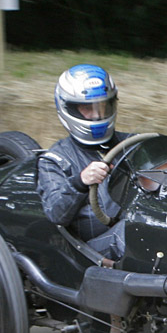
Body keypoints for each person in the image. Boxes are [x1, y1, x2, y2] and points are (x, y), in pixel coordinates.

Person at [37, 64, 129, 264]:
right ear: (68, 108)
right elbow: (56, 213)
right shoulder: (54, 160)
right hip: (90, 250)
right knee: (133, 231)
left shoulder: (131, 143)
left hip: (137, 225)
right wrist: (80, 181)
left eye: (103, 106)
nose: (97, 115)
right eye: (88, 108)